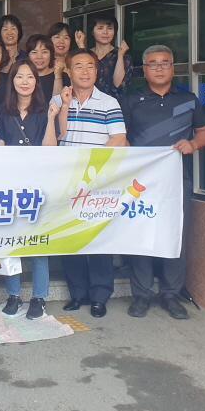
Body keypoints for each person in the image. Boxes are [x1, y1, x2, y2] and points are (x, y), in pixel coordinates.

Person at [121, 45, 205, 321]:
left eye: (164, 64)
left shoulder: (188, 99)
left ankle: (171, 293)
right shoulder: (131, 100)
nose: (159, 69)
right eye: (153, 64)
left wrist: (193, 144)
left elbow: (204, 132)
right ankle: (141, 294)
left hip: (176, 180)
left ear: (173, 68)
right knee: (140, 233)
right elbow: (121, 136)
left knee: (175, 235)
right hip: (140, 182)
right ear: (144, 70)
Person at [51, 49, 128, 319]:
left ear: (96, 71)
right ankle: (78, 294)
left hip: (98, 182)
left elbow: (118, 139)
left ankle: (99, 296)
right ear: (68, 71)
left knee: (98, 240)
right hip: (66, 182)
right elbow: (53, 136)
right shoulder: (58, 101)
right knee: (69, 238)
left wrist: (91, 171)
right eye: (78, 66)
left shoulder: (109, 102)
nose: (84, 72)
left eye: (90, 67)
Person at [0, 60, 51, 319]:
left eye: (30, 76)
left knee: (39, 244)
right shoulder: (3, 111)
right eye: (19, 76)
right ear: (13, 81)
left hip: (39, 185)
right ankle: (13, 295)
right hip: (10, 184)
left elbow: (51, 148)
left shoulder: (44, 110)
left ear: (36, 81)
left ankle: (39, 297)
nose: (25, 81)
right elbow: (0, 146)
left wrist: (52, 118)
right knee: (11, 243)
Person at [82, 11, 132, 99]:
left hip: (115, 104)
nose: (105, 32)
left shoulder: (123, 55)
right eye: (100, 28)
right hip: (88, 103)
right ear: (92, 31)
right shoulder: (88, 55)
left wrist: (120, 56)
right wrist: (81, 46)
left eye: (110, 28)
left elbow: (118, 84)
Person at [25, 34, 62, 106]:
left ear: (51, 54)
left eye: (44, 52)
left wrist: (58, 77)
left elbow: (58, 105)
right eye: (34, 52)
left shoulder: (62, 76)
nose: (39, 57)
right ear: (28, 55)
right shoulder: (23, 77)